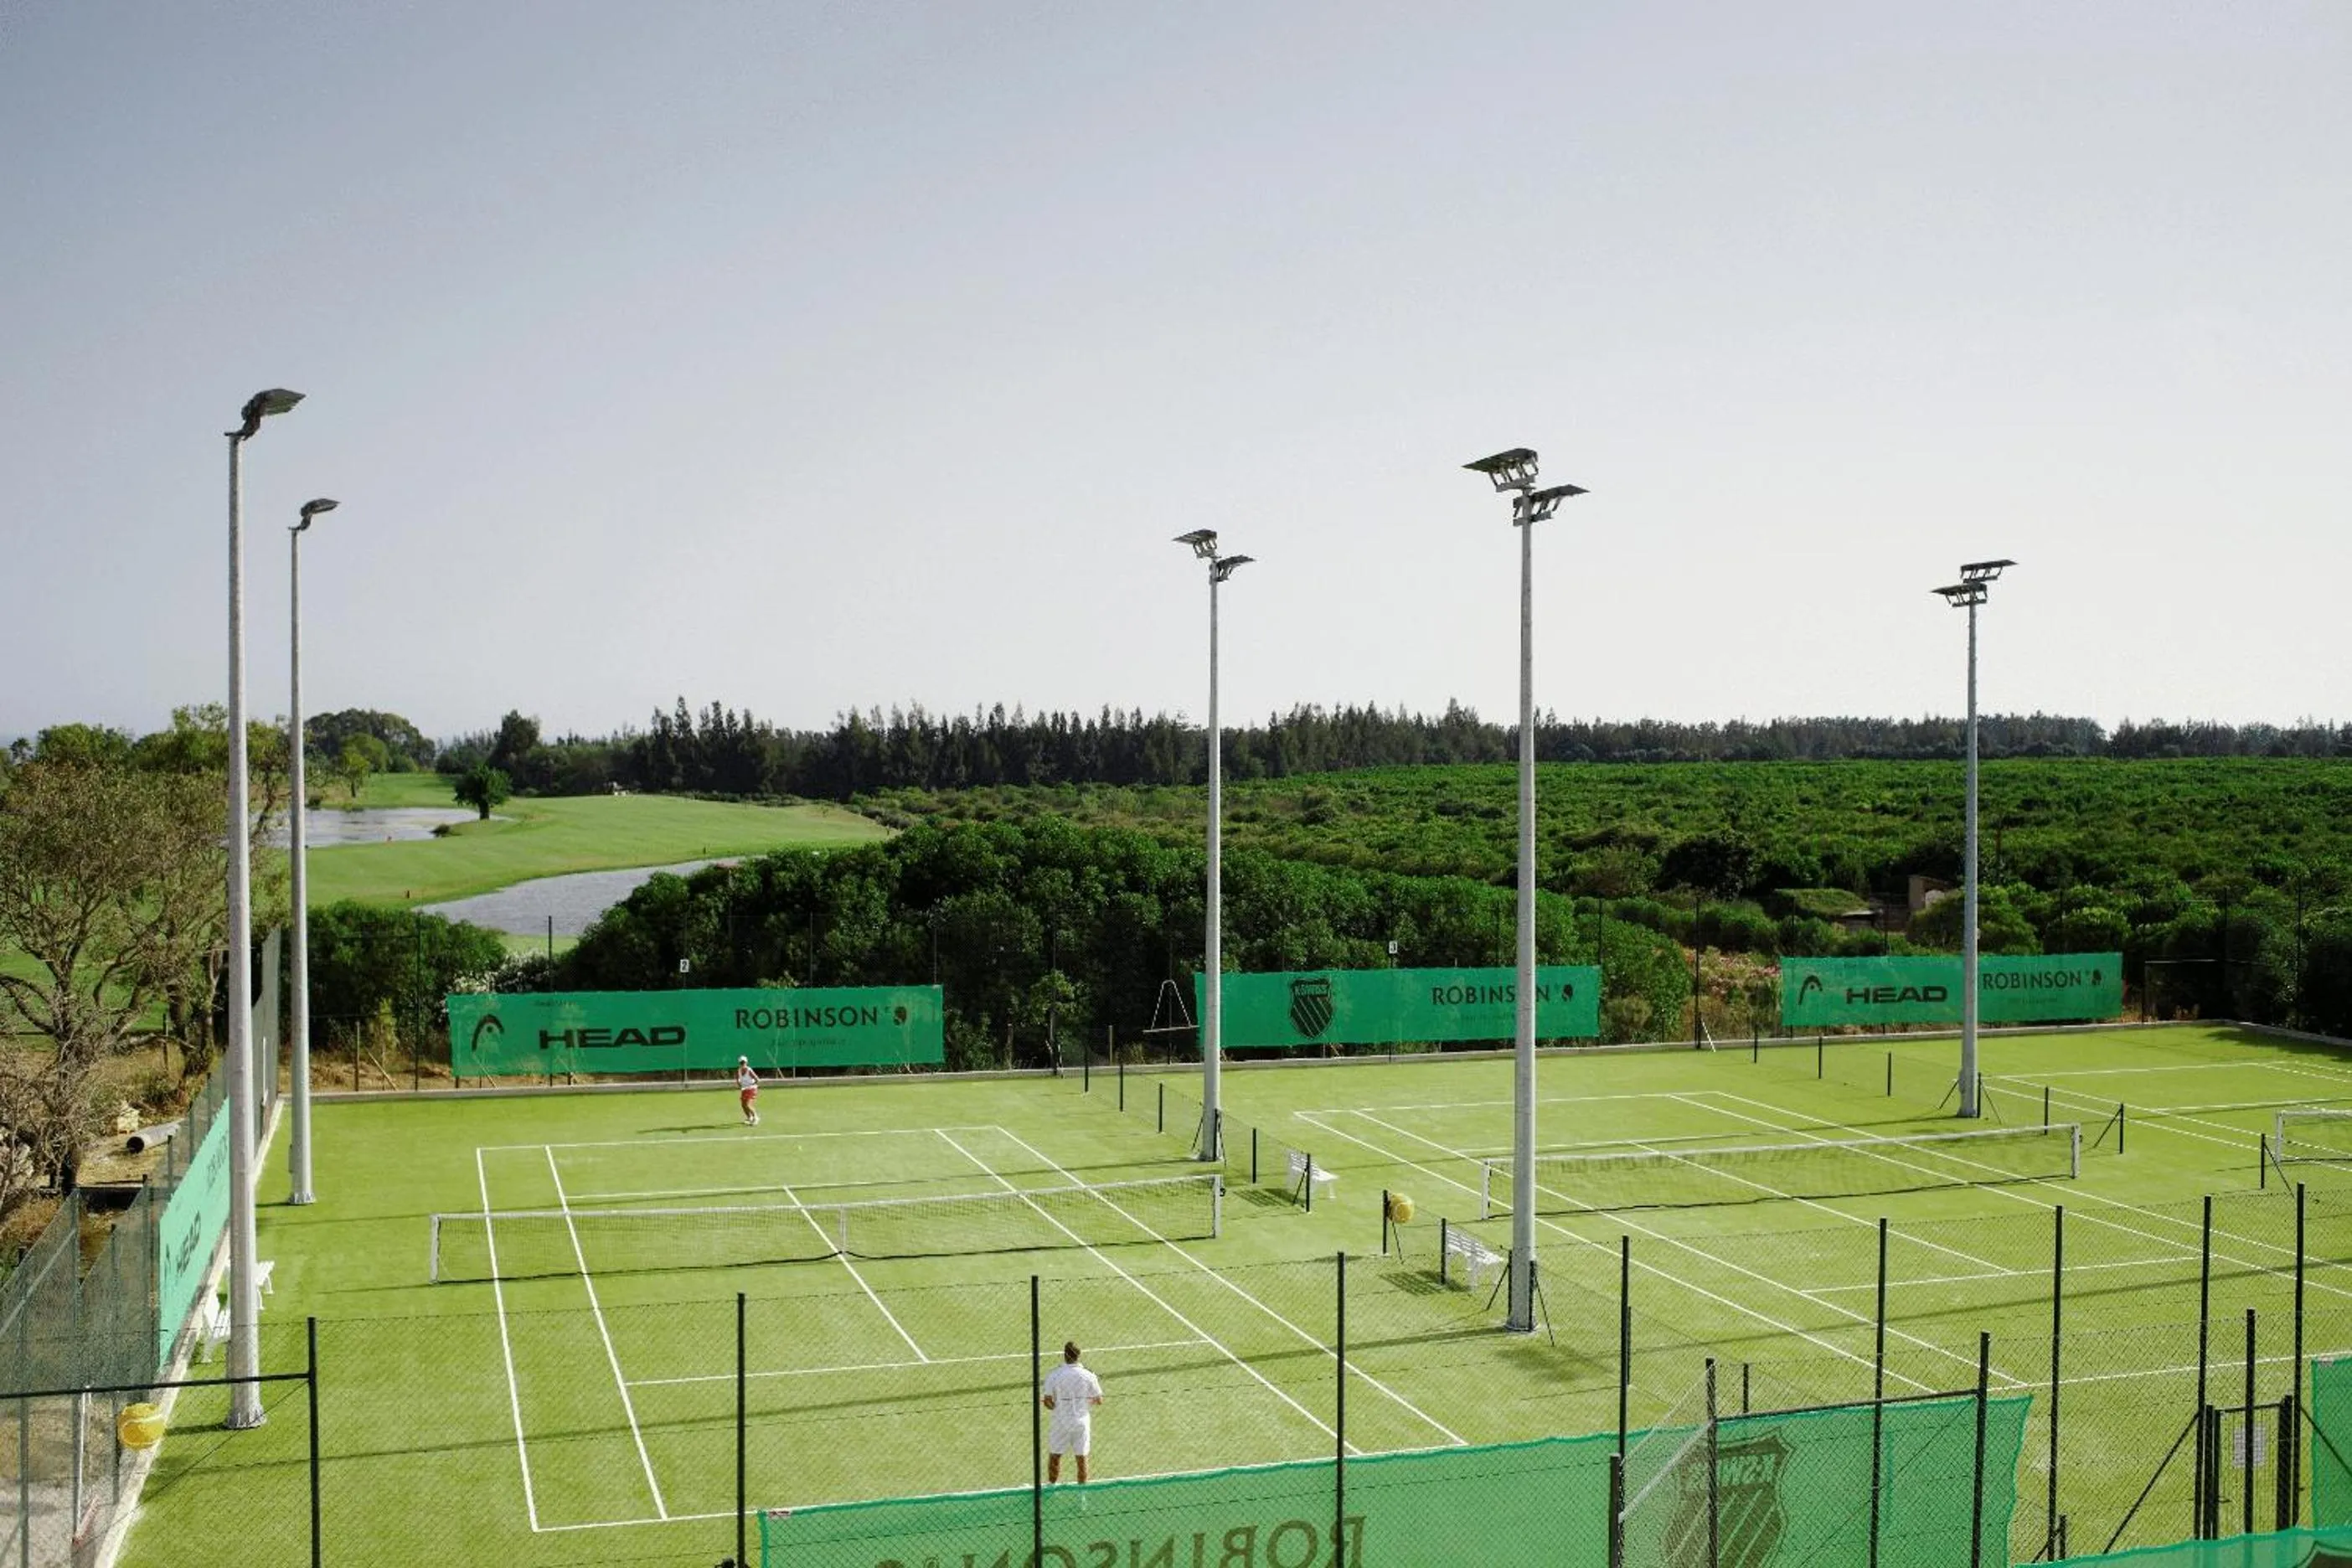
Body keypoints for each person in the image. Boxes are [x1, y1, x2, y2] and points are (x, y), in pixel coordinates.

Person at [1039, 1341, 1103, 1483]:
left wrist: (1051, 1405)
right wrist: (1086, 1402)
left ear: (1064, 1355)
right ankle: (1082, 1494)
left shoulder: (1054, 1375)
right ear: (1078, 1356)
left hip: (1060, 1421)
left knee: (1055, 1456)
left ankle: (1052, 1486)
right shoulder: (1088, 1375)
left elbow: (1048, 1402)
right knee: (1082, 1458)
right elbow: (1099, 1400)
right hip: (1081, 1422)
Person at [735, 1055, 761, 1127]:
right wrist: (740, 1086)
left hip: (752, 1089)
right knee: (743, 1105)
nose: (743, 1064)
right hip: (744, 1089)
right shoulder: (738, 1070)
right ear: (739, 1063)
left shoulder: (749, 1070)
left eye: (744, 1062)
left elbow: (757, 1079)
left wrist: (751, 1085)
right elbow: (737, 1080)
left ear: (746, 1062)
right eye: (741, 1062)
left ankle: (756, 1118)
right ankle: (750, 1118)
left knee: (748, 1105)